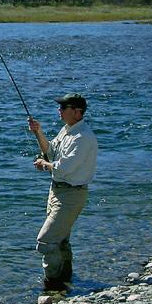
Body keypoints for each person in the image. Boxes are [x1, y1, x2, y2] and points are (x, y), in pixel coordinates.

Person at [27, 93, 98, 292]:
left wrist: (45, 164)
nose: (59, 110)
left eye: (63, 107)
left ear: (77, 112)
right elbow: (50, 152)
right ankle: (65, 281)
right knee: (61, 239)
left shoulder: (83, 137)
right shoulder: (67, 130)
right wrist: (38, 133)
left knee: (46, 240)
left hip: (72, 194)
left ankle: (53, 285)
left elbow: (64, 167)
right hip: (57, 191)